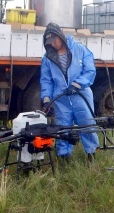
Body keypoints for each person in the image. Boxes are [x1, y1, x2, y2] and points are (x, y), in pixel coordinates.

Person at [40, 22, 99, 161]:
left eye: (54, 40)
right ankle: (64, 157)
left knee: (87, 124)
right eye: (49, 42)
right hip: (62, 100)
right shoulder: (47, 58)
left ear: (60, 36)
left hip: (81, 95)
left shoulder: (80, 50)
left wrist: (77, 84)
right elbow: (46, 80)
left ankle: (92, 154)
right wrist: (47, 99)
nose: (53, 44)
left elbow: (90, 71)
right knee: (63, 127)